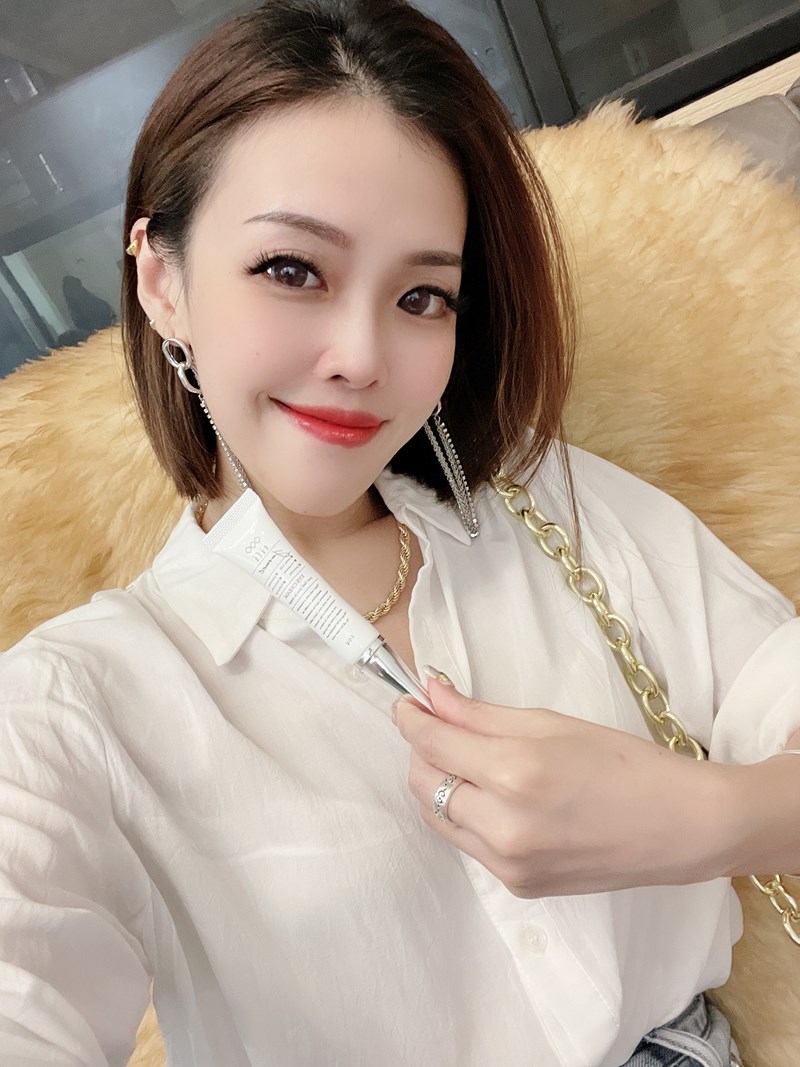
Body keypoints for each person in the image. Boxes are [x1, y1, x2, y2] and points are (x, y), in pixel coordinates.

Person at [1, 2, 798, 1065]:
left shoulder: (552, 508)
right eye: (292, 269)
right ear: (162, 281)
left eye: (422, 294)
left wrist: (705, 818)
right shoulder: (78, 701)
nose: (362, 356)